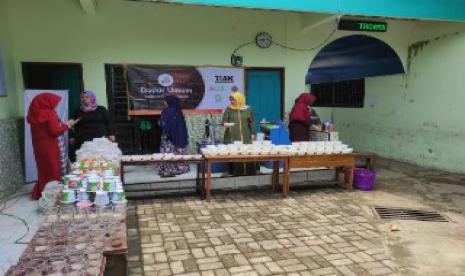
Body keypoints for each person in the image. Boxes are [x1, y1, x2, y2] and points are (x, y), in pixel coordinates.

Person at [27, 93, 77, 199]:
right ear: (47, 102)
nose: (55, 105)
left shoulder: (33, 113)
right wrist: (68, 125)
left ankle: (43, 191)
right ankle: (54, 195)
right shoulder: (49, 114)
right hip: (52, 146)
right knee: (55, 169)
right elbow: (55, 131)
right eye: (54, 103)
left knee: (44, 169)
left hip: (39, 147)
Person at [222, 92, 257, 176]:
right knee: (233, 153)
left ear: (239, 99)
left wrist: (252, 133)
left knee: (246, 152)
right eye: (231, 100)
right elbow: (223, 121)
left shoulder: (248, 109)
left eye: (233, 99)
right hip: (232, 135)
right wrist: (226, 124)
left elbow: (252, 122)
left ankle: (249, 172)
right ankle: (234, 172)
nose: (232, 101)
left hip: (245, 135)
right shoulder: (229, 109)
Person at [158, 95, 190, 177]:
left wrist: (160, 123)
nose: (164, 102)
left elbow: (163, 124)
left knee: (168, 152)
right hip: (179, 136)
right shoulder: (179, 111)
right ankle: (181, 168)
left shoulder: (167, 111)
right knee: (178, 151)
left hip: (169, 137)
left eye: (165, 101)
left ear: (169, 102)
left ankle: (169, 169)